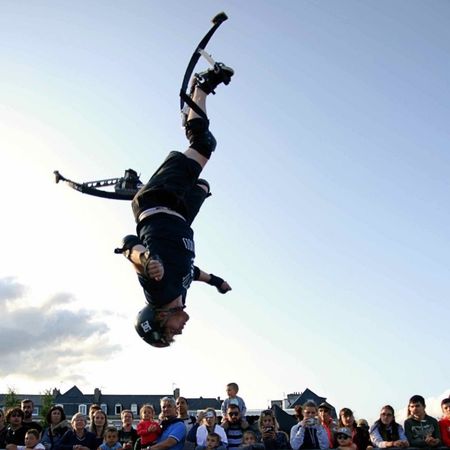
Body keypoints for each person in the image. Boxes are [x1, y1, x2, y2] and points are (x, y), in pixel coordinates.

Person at [121, 59, 234, 348]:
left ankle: (201, 88)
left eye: (170, 332)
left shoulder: (157, 291)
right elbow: (191, 272)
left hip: (157, 201)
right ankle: (193, 109)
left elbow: (129, 243)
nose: (179, 332)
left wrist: (145, 258)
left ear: (159, 318)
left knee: (203, 145)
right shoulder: (178, 293)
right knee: (204, 185)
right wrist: (216, 281)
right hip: (181, 215)